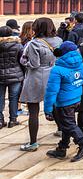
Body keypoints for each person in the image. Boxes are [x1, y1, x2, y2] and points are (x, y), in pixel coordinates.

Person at [44, 41, 83, 162]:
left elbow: (51, 91)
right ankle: (62, 148)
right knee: (67, 124)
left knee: (69, 124)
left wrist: (48, 109)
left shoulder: (58, 69)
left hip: (64, 101)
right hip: (77, 98)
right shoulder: (79, 63)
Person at [20, 18, 61, 152]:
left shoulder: (34, 44)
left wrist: (23, 61)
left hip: (37, 77)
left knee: (34, 110)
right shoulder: (59, 41)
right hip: (54, 74)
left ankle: (33, 142)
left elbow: (34, 64)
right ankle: (61, 130)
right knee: (56, 104)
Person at [0, 26, 24, 128]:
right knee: (13, 98)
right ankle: (13, 120)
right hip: (15, 75)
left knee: (0, 98)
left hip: (0, 76)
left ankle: (0, 121)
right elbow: (22, 61)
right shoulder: (18, 46)